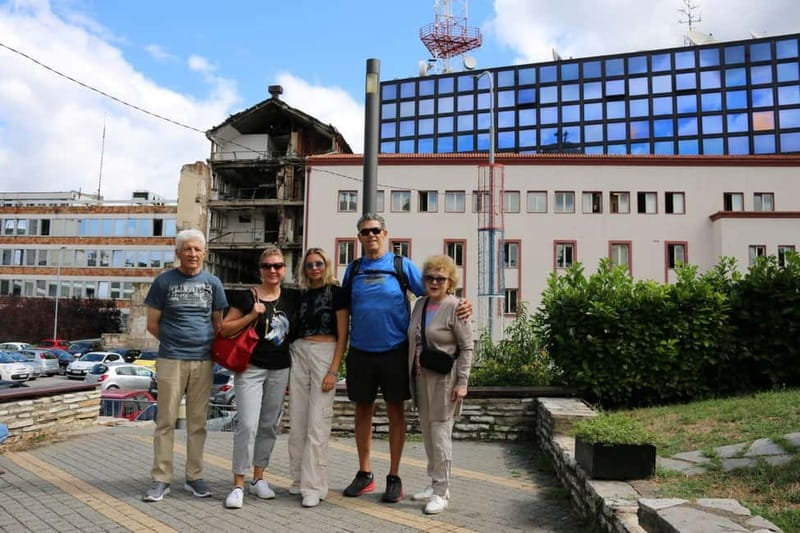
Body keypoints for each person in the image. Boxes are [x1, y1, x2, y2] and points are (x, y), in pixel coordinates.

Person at [342, 213, 471, 503]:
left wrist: (462, 302)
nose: (371, 235)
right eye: (365, 232)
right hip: (361, 351)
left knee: (395, 413)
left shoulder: (401, 266)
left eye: (375, 230)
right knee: (361, 413)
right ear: (360, 238)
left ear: (385, 234)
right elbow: (342, 311)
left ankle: (394, 477)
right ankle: (364, 474)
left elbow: (435, 292)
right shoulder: (353, 270)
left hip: (395, 351)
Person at [142, 228, 228, 502]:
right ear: (178, 253)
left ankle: (195, 477)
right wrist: (176, 342)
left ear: (204, 252)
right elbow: (152, 324)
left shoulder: (213, 283)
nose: (192, 254)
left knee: (198, 423)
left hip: (204, 361)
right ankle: (160, 478)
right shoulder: (163, 282)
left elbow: (218, 324)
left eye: (197, 249)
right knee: (165, 421)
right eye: (187, 249)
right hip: (171, 359)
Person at [220, 245, 301, 509]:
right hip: (251, 369)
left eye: (278, 266)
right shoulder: (247, 297)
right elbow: (225, 328)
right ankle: (238, 484)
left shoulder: (291, 298)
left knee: (268, 426)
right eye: (268, 266)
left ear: (284, 269)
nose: (273, 270)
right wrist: (252, 315)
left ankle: (258, 478)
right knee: (247, 425)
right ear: (260, 270)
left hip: (280, 369)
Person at [408, 255, 474, 515]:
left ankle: (441, 492)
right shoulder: (420, 304)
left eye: (440, 278)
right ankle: (433, 482)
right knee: (427, 434)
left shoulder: (456, 307)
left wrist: (463, 383)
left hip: (445, 382)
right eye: (429, 277)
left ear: (450, 282)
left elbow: (468, 347)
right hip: (421, 379)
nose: (434, 282)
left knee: (440, 436)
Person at [288, 247, 349, 508]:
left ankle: (315, 486)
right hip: (298, 352)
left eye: (319, 264)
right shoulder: (299, 295)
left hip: (325, 353)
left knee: (317, 423)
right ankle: (298, 480)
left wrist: (334, 370)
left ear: (326, 265)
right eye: (310, 264)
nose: (314, 268)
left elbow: (343, 335)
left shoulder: (336, 292)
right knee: (297, 422)